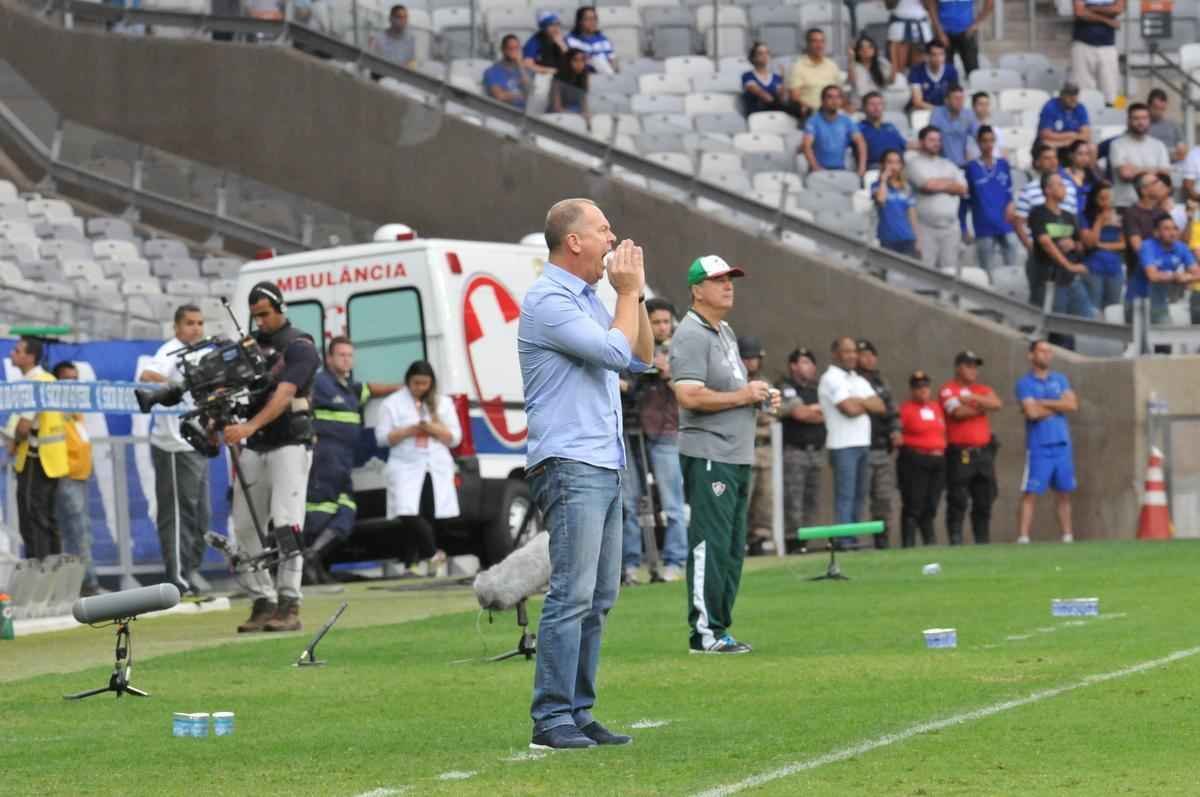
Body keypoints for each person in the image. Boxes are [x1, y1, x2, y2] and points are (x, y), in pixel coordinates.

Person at [518, 199, 652, 749]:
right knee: (571, 594)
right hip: (571, 461)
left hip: (602, 459)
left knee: (599, 597)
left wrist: (634, 293)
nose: (612, 238)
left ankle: (578, 709)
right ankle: (551, 719)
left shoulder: (591, 299)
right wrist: (624, 294)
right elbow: (613, 355)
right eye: (602, 230)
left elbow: (641, 358)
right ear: (573, 241)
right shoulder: (548, 299)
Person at [671, 254, 777, 655]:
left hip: (735, 453)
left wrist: (760, 396)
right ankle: (704, 633)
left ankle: (720, 627)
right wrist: (743, 394)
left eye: (730, 278)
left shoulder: (725, 331)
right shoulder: (691, 334)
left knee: (733, 547)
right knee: (709, 544)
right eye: (717, 280)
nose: (728, 285)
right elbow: (688, 394)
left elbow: (733, 390)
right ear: (697, 289)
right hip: (710, 452)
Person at [223, 282, 320, 634]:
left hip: (290, 444)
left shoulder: (300, 346)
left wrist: (248, 426)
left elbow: (284, 395)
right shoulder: (247, 350)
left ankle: (289, 601)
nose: (260, 322)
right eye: (255, 316)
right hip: (255, 446)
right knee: (245, 526)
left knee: (286, 523)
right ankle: (261, 600)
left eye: (265, 314)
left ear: (280, 308)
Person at [302, 337, 400, 584]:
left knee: (346, 509)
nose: (346, 359)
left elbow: (371, 388)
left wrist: (403, 388)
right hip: (325, 457)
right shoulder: (319, 382)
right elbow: (303, 403)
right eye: (341, 355)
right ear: (329, 359)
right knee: (321, 511)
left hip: (344, 460)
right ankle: (308, 566)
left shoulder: (349, 388)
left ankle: (313, 556)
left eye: (350, 355)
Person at [139, 304, 210, 596]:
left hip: (199, 440)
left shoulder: (204, 352)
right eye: (190, 323)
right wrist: (177, 384)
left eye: (200, 323)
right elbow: (147, 375)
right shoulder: (169, 351)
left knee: (201, 514)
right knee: (177, 513)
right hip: (172, 444)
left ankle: (192, 568)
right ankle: (178, 577)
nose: (196, 328)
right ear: (177, 327)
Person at [375, 361, 460, 576]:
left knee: (427, 513)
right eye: (416, 383)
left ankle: (411, 564)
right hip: (405, 464)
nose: (421, 388)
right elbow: (382, 438)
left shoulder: (443, 403)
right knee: (405, 510)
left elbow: (455, 438)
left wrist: (434, 428)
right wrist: (408, 431)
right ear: (408, 381)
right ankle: (433, 554)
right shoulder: (392, 404)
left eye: (425, 384)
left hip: (435, 465)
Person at [634, 298, 687, 579]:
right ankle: (635, 563)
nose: (662, 327)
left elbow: (690, 393)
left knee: (672, 503)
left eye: (667, 322)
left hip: (669, 434)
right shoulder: (637, 347)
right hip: (637, 435)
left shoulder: (680, 350)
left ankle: (676, 560)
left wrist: (669, 373)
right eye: (656, 322)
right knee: (637, 503)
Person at [818, 336, 886, 549]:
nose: (852, 355)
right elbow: (849, 410)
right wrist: (864, 402)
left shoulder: (858, 379)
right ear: (835, 354)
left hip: (862, 443)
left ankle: (853, 539)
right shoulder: (831, 378)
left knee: (860, 495)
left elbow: (880, 406)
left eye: (854, 351)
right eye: (847, 351)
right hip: (842, 445)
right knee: (846, 495)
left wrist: (859, 401)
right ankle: (844, 541)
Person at [5, 338, 66, 560]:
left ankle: (41, 576)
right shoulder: (47, 379)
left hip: (36, 459)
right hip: (48, 460)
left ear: (30, 357)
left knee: (33, 518)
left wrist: (12, 442)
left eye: (17, 350)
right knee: (46, 518)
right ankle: (54, 575)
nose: (12, 353)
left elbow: (23, 427)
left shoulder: (34, 383)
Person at [1016, 340, 1079, 544]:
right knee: (1031, 492)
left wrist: (1044, 402)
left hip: (1061, 443)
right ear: (1031, 355)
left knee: (1064, 492)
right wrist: (1058, 405)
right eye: (1042, 351)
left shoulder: (1060, 379)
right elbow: (1032, 413)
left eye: (1049, 351)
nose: (1046, 355)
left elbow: (1072, 404)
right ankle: (1024, 536)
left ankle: (1067, 535)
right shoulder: (1025, 383)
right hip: (1039, 445)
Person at [939, 351, 1001, 545]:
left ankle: (982, 540)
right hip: (960, 453)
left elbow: (997, 404)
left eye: (975, 366)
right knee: (958, 499)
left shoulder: (980, 389)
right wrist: (982, 406)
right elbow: (958, 412)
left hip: (983, 453)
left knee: (984, 499)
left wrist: (974, 398)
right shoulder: (948, 389)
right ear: (958, 367)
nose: (973, 370)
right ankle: (956, 540)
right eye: (968, 366)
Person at [49, 361, 97, 595]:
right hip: (66, 475)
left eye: (76, 379)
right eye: (68, 379)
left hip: (80, 474)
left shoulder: (75, 407)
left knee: (79, 531)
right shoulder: (55, 407)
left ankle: (80, 584)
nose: (73, 384)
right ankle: (87, 583)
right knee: (78, 532)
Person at [777, 347, 825, 553]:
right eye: (802, 362)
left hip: (817, 451)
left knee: (811, 499)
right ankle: (792, 540)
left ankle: (805, 541)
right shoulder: (785, 387)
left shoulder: (819, 389)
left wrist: (811, 411)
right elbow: (798, 413)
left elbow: (826, 413)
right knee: (792, 499)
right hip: (794, 451)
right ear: (793, 366)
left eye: (809, 362)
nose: (807, 366)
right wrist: (815, 410)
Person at [1028, 173, 1094, 319]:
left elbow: (1080, 244)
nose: (1064, 188)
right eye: (1060, 185)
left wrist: (1074, 245)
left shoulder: (1069, 216)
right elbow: (1046, 243)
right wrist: (1068, 265)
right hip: (1050, 281)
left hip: (1071, 280)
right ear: (1048, 190)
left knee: (1087, 318)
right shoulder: (1038, 213)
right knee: (1057, 325)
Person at [855, 340, 899, 550]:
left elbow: (892, 411)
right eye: (864, 354)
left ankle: (882, 539)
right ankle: (857, 540)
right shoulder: (851, 380)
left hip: (881, 447)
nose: (869, 359)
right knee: (859, 497)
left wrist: (896, 431)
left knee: (883, 499)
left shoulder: (881, 381)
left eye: (872, 354)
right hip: (860, 447)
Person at [907, 126, 967, 272]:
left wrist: (939, 183)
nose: (936, 143)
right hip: (926, 228)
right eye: (932, 140)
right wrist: (949, 184)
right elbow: (927, 185)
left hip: (951, 228)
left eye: (938, 140)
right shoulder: (914, 164)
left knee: (950, 272)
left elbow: (963, 189)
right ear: (921, 142)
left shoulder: (949, 164)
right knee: (926, 273)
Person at [896, 370, 946, 547]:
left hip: (937, 460)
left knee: (931, 504)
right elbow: (897, 435)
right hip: (916, 460)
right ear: (912, 390)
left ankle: (929, 541)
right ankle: (908, 543)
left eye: (925, 386)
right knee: (914, 503)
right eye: (918, 387)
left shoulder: (936, 407)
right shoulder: (906, 410)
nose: (923, 390)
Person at [738, 336, 774, 557]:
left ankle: (759, 538)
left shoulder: (765, 381)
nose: (752, 363)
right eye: (747, 358)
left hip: (764, 448)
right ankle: (739, 539)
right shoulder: (735, 381)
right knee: (744, 496)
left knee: (765, 498)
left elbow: (770, 412)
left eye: (755, 358)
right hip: (744, 445)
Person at [1131, 212, 1200, 324]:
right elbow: (1152, 276)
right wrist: (1175, 277)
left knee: (1168, 334)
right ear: (1156, 233)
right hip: (1137, 302)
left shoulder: (1181, 247)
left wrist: (1186, 278)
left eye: (1174, 228)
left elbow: (1197, 274)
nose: (1172, 233)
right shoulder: (1147, 246)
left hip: (1159, 304)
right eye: (1166, 229)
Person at [965, 126, 1017, 273]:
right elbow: (967, 198)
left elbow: (1009, 191)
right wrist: (964, 226)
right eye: (984, 141)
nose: (988, 145)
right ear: (978, 143)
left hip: (1005, 222)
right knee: (987, 270)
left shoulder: (1003, 164)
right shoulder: (971, 168)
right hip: (984, 225)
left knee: (1012, 268)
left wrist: (1011, 206)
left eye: (991, 141)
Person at [1014, 144, 1078, 261]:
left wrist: (1074, 243)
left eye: (1054, 157)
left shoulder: (1069, 188)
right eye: (1047, 158)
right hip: (1041, 255)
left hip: (1068, 253)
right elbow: (1019, 224)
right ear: (1037, 162)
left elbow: (1075, 219)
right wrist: (1031, 248)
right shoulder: (1028, 190)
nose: (1052, 162)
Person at [1110, 103, 1171, 210]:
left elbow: (1165, 175)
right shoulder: (1117, 144)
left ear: (1149, 120)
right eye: (1136, 118)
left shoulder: (1159, 145)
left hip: (1154, 207)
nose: (1140, 122)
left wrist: (1135, 169)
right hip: (1125, 205)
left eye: (1144, 118)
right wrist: (1155, 170)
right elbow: (1125, 174)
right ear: (1128, 121)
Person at [1080, 182, 1126, 311]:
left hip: (1115, 267)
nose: (1107, 202)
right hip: (1093, 266)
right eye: (1102, 198)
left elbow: (1123, 244)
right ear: (1095, 199)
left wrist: (1102, 245)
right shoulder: (1085, 217)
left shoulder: (1120, 216)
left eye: (1109, 198)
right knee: (1093, 307)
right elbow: (1090, 242)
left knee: (1112, 308)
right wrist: (1100, 221)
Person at [802, 85, 866, 176]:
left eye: (838, 97)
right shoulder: (813, 121)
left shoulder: (846, 121)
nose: (834, 101)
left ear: (841, 101)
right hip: (818, 171)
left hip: (840, 170)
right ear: (822, 101)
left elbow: (861, 142)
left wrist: (862, 167)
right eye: (830, 97)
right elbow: (806, 146)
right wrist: (815, 167)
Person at [785, 28, 845, 121]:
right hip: (811, 116)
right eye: (815, 41)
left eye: (822, 41)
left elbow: (840, 92)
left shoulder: (832, 65)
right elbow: (794, 98)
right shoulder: (798, 67)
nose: (819, 45)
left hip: (833, 114)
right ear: (807, 44)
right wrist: (815, 111)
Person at [1071, 0, 1122, 105]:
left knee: (1111, 90)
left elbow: (1117, 9)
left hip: (1108, 47)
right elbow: (1080, 12)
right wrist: (1107, 20)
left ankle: (1113, 117)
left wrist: (1091, 8)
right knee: (1083, 92)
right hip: (1083, 45)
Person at [874, 148, 921, 257]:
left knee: (907, 271)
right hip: (888, 238)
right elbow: (881, 200)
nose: (893, 166)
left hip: (908, 238)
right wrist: (884, 180)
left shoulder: (907, 188)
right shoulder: (877, 185)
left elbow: (912, 215)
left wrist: (918, 240)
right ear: (883, 165)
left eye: (897, 162)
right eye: (889, 162)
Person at [929, 0, 993, 76]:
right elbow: (931, 5)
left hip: (966, 32)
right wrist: (939, 30)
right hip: (944, 33)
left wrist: (976, 24)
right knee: (944, 73)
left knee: (973, 72)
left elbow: (990, 3)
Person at [930, 84, 978, 168]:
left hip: (964, 164)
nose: (960, 101)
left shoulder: (969, 114)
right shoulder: (937, 113)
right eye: (956, 98)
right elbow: (932, 137)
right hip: (942, 165)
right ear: (946, 101)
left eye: (961, 98)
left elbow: (978, 136)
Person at [1037, 83, 1091, 155]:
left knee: (1091, 147)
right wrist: (1070, 135)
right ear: (1062, 95)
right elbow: (1045, 134)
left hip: (1073, 143)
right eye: (1070, 95)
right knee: (1048, 146)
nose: (1073, 98)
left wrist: (1072, 140)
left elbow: (1086, 134)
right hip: (1056, 142)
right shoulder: (1050, 106)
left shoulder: (1080, 107)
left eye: (1075, 94)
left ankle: (1090, 166)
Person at [859, 92, 908, 169]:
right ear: (864, 107)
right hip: (876, 166)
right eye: (872, 104)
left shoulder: (890, 126)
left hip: (898, 165)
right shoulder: (858, 128)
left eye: (879, 104)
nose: (876, 107)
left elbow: (904, 144)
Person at [908, 41, 959, 110]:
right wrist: (939, 111)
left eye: (941, 54)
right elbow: (917, 102)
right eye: (934, 55)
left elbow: (954, 96)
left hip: (944, 111)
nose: (938, 58)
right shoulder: (916, 71)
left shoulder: (951, 70)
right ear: (927, 56)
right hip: (922, 111)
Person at [566, 6, 617, 74]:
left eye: (595, 19)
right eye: (588, 19)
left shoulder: (603, 39)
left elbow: (612, 60)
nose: (593, 22)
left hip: (604, 76)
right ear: (580, 21)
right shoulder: (571, 40)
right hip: (583, 76)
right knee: (596, 61)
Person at [888, 0, 934, 74]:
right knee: (899, 67)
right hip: (899, 24)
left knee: (918, 65)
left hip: (921, 23)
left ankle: (915, 82)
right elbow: (889, 6)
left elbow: (929, 5)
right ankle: (901, 82)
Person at [484, 35, 530, 109]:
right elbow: (499, 96)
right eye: (511, 49)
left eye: (517, 48)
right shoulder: (492, 72)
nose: (515, 52)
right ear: (503, 50)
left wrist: (520, 66)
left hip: (529, 111)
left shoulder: (523, 69)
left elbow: (531, 91)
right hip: (509, 113)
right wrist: (522, 96)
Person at [742, 42, 786, 116]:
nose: (765, 56)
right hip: (757, 115)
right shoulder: (748, 76)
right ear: (753, 57)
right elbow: (762, 94)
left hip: (776, 114)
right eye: (760, 53)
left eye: (767, 53)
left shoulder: (776, 77)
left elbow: (782, 98)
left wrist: (783, 80)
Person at [1061, 140, 1101, 220]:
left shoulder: (1093, 177)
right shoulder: (1061, 175)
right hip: (1066, 217)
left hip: (1087, 219)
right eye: (1080, 154)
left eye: (1087, 154)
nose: (1084, 158)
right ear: (1071, 155)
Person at [847, 35, 894, 101]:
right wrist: (850, 59)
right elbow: (852, 81)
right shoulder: (854, 66)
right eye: (862, 48)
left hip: (877, 104)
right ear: (857, 51)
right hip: (859, 104)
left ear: (874, 49)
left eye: (869, 47)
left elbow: (891, 80)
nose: (866, 50)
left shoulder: (882, 63)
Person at [1147, 88, 1186, 163]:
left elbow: (1182, 152)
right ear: (1148, 106)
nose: (1159, 112)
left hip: (1172, 167)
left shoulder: (1173, 125)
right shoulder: (1141, 127)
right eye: (1156, 108)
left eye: (1162, 109)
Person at [549, 48, 589, 115]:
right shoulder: (558, 80)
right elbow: (556, 108)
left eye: (582, 60)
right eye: (575, 60)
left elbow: (584, 104)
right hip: (557, 116)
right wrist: (579, 115)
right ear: (567, 61)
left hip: (576, 112)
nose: (579, 64)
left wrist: (586, 113)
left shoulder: (583, 77)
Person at [966, 91, 1004, 159]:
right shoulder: (968, 132)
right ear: (973, 107)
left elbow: (1003, 153)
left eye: (987, 104)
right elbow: (968, 156)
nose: (984, 107)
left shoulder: (997, 130)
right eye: (981, 104)